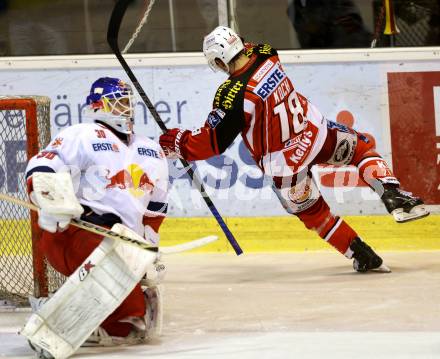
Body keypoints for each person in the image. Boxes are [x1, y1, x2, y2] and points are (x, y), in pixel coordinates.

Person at [159, 26, 429, 273]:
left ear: (218, 62)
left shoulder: (232, 93)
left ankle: (360, 252)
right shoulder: (267, 54)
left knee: (314, 213)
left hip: (285, 165)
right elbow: (250, 48)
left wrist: (177, 142)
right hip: (314, 135)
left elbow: (211, 142)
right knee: (361, 149)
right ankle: (392, 194)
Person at [24, 77, 169, 356]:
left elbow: (155, 209)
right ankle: (59, 320)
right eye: (118, 102)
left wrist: (150, 246)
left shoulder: (151, 150)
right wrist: (51, 199)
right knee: (128, 312)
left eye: (128, 102)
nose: (125, 109)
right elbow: (43, 164)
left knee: (133, 322)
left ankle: (74, 307)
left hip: (121, 244)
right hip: (75, 232)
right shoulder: (83, 134)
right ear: (97, 106)